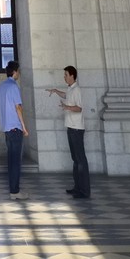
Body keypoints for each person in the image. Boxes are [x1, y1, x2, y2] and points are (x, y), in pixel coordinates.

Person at [48, 65, 90, 199]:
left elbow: (79, 108)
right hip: (71, 127)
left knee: (80, 160)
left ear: (72, 75)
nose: (64, 77)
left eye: (66, 75)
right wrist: (56, 91)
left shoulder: (77, 90)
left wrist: (67, 107)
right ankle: (77, 187)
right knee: (75, 159)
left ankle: (84, 190)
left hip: (76, 128)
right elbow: (66, 95)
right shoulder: (70, 89)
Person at [0, 60, 29, 197]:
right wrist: (24, 127)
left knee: (11, 160)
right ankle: (15, 191)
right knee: (16, 162)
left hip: (7, 128)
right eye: (18, 71)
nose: (19, 74)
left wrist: (5, 108)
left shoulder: (2, 85)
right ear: (14, 72)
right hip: (15, 127)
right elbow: (18, 107)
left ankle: (14, 189)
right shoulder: (14, 87)